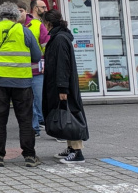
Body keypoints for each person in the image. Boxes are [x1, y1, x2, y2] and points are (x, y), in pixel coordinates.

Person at [0, 2, 42, 167]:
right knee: (25, 119)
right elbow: (36, 56)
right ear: (16, 16)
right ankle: (29, 156)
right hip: (22, 81)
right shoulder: (24, 31)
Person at [42, 9, 88, 163]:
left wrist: (62, 88)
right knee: (66, 115)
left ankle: (77, 151)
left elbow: (63, 65)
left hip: (63, 86)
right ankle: (71, 148)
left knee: (70, 115)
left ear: (48, 23)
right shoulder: (59, 37)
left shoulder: (60, 39)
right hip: (60, 84)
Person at [26, 0, 50, 137]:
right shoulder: (23, 25)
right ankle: (35, 128)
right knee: (30, 100)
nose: (46, 9)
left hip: (38, 69)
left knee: (39, 99)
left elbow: (46, 46)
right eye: (43, 7)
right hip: (24, 70)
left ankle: (41, 121)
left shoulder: (39, 24)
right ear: (35, 8)